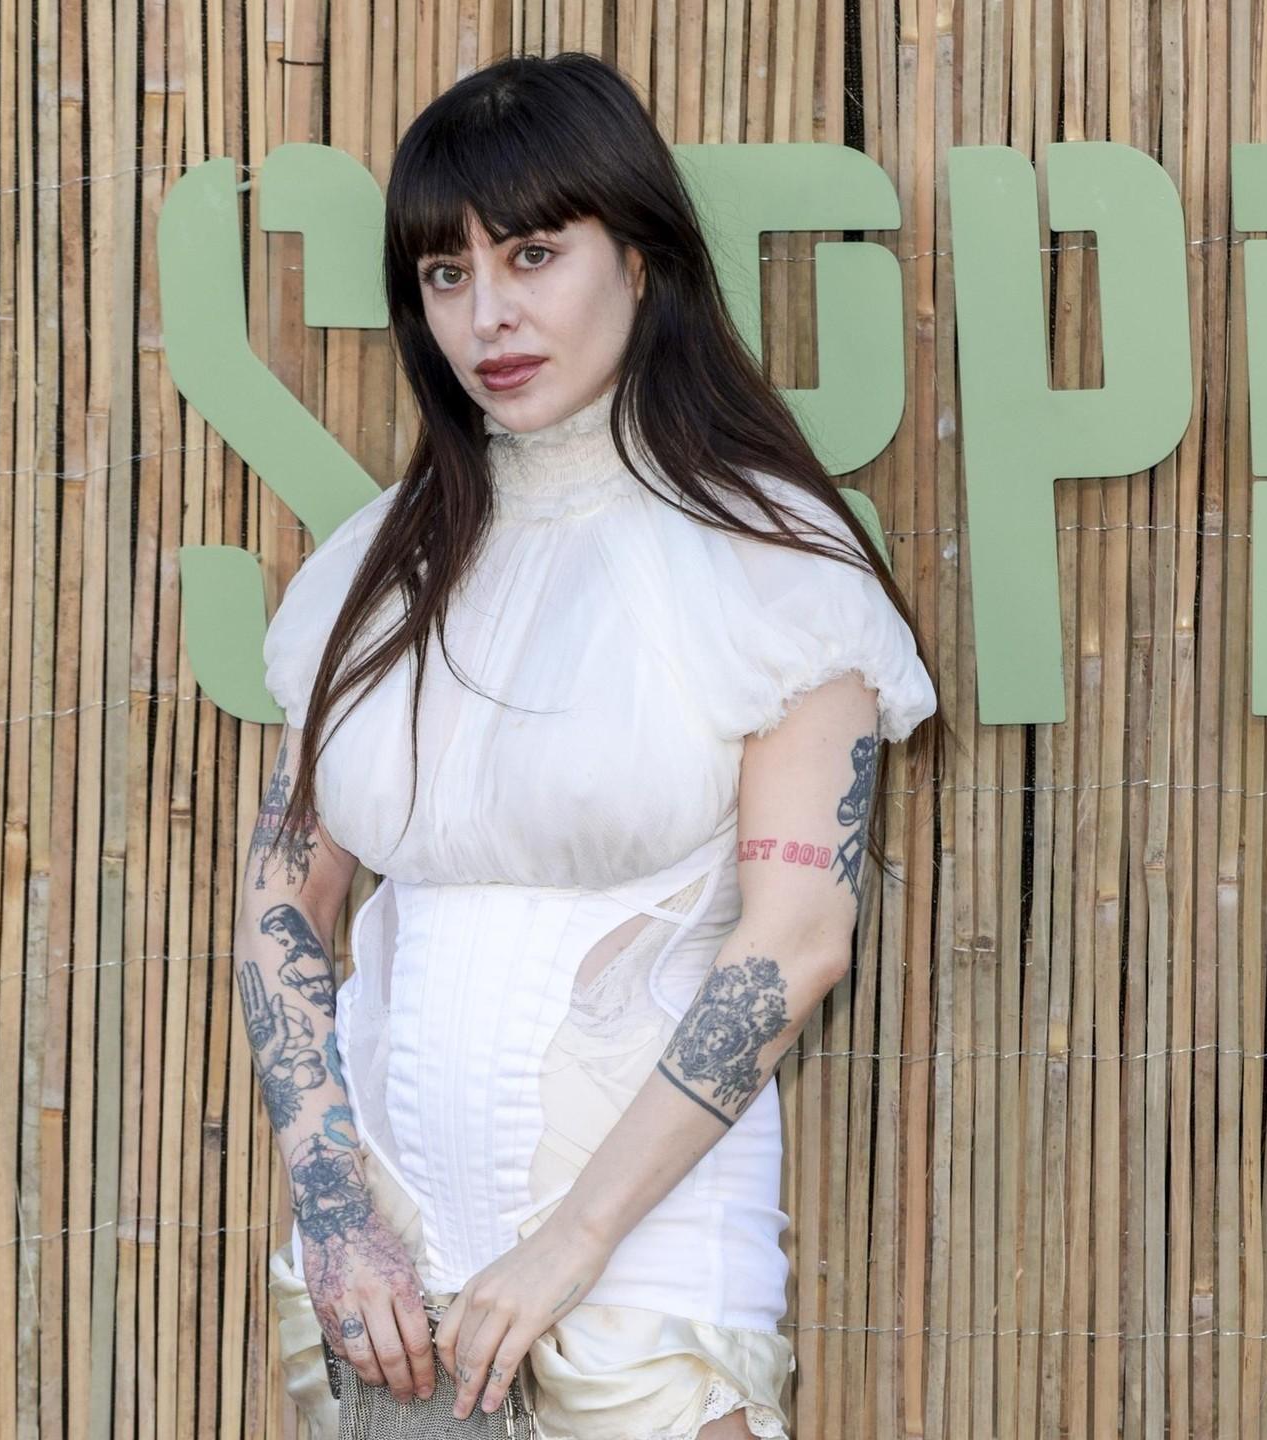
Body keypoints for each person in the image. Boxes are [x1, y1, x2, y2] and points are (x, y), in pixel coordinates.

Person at [235, 51, 939, 1440]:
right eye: (446, 273)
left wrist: (570, 1247)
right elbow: (286, 896)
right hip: (380, 1272)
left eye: (534, 255)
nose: (487, 314)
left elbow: (798, 939)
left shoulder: (777, 567)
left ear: (642, 256)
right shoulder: (368, 573)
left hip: (644, 1273)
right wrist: (334, 1210)